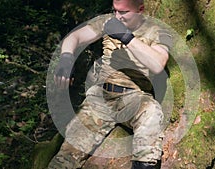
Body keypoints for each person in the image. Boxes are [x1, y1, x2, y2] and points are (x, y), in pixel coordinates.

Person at [48, 0, 173, 168]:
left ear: (140, 10)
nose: (117, 17)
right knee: (66, 156)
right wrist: (66, 58)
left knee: (152, 113)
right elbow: (75, 37)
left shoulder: (158, 30)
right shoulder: (108, 22)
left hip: (134, 97)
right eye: (115, 11)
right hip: (101, 96)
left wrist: (127, 37)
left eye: (123, 12)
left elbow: (158, 64)